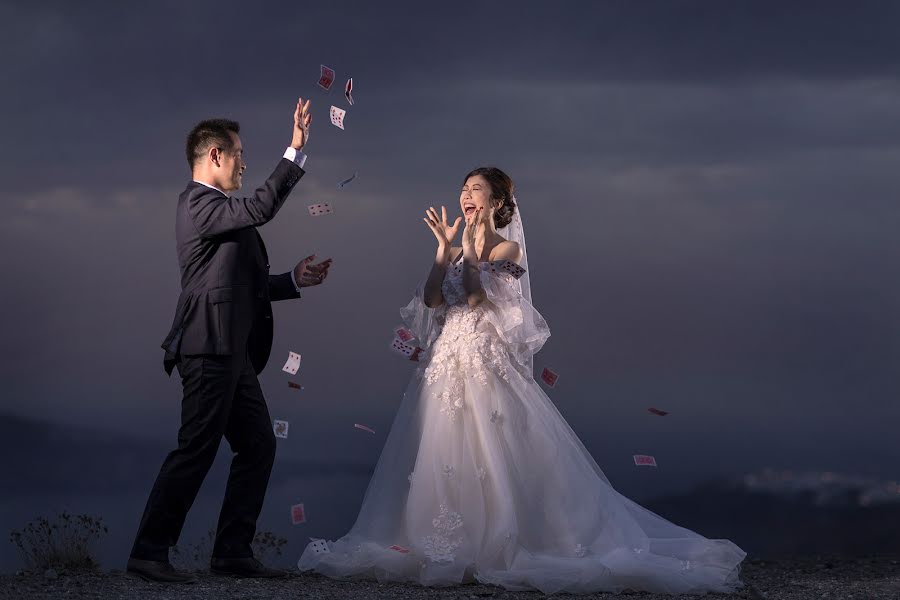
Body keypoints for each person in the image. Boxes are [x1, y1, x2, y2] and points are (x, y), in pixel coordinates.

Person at [298, 167, 744, 594]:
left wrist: (471, 253)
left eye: (475, 190)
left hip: (484, 363)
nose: (466, 196)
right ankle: (449, 542)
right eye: (463, 189)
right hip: (446, 362)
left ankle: (505, 540)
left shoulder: (507, 253)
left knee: (495, 448)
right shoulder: (455, 249)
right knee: (443, 448)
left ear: (496, 201)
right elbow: (433, 299)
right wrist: (442, 249)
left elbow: (476, 299)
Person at [128, 99, 332, 583]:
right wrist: (295, 151)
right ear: (216, 155)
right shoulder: (198, 203)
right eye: (239, 153)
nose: (244, 162)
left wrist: (293, 280)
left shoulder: (218, 213)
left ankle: (231, 553)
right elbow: (261, 207)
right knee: (195, 449)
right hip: (207, 348)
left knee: (258, 444)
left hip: (231, 353)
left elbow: (238, 285)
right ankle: (149, 551)